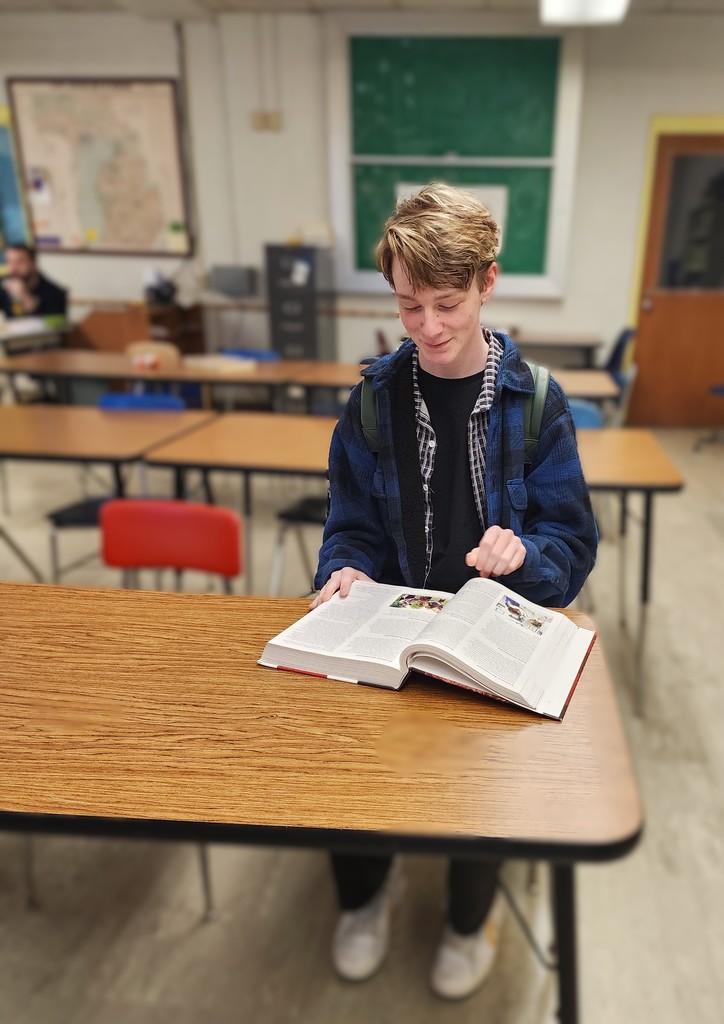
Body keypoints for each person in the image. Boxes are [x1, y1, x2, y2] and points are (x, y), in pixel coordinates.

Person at [310, 183, 597, 1000]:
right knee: (351, 769)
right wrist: (347, 568)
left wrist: (526, 554)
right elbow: (352, 523)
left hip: (489, 638)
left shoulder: (535, 403)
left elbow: (572, 547)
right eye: (408, 306)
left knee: (485, 782)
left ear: (487, 283)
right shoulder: (371, 401)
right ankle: (368, 895)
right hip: (390, 631)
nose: (429, 327)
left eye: (447, 303)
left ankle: (471, 918)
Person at [0, 243, 68, 320]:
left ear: (34, 264)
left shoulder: (54, 293)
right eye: (9, 261)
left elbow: (55, 328)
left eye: (20, 261)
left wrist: (24, 295)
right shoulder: (4, 286)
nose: (13, 267)